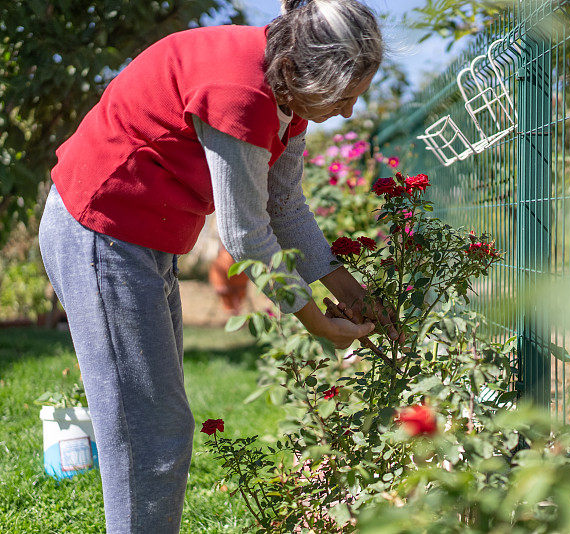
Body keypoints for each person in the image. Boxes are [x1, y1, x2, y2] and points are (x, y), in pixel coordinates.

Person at [38, 1, 398, 532]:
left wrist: (351, 291)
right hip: (101, 231)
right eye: (343, 96)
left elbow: (286, 207)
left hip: (139, 236)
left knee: (155, 419)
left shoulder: (287, 89)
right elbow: (246, 234)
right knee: (151, 429)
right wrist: (316, 321)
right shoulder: (244, 92)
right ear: (307, 70)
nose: (346, 112)